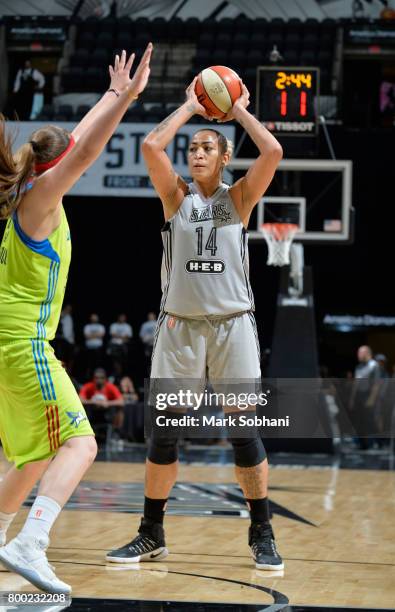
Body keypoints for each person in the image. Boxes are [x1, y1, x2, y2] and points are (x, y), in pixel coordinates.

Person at [106, 77, 284, 570]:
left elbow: (272, 150)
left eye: (207, 147)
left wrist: (239, 111)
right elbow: (149, 144)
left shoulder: (239, 198)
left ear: (224, 156)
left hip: (232, 325)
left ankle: (261, 532)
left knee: (244, 432)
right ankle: (151, 532)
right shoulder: (176, 197)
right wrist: (190, 106)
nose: (197, 153)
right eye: (193, 148)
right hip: (179, 327)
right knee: (163, 434)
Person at [0, 44, 152, 593]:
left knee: (32, 454)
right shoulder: (39, 203)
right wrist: (125, 99)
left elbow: (71, 144)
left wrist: (112, 94)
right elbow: (83, 152)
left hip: (5, 346)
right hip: (23, 344)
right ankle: (30, 542)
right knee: (81, 443)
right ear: (55, 168)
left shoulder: (27, 194)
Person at [79, 368, 125, 441]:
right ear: (93, 378)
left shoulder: (110, 387)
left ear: (105, 379)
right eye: (96, 378)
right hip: (91, 413)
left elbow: (121, 402)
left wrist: (107, 403)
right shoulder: (88, 386)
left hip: (107, 413)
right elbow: (80, 400)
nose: (99, 380)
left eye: (101, 378)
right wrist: (93, 402)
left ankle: (116, 432)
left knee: (120, 409)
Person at [349, 345, 381, 449]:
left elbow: (376, 384)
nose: (357, 355)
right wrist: (352, 399)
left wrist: (371, 399)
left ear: (367, 353)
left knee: (369, 423)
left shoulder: (374, 366)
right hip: (359, 399)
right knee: (359, 422)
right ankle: (361, 444)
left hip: (369, 399)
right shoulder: (358, 367)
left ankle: (372, 444)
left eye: (360, 352)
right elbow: (355, 384)